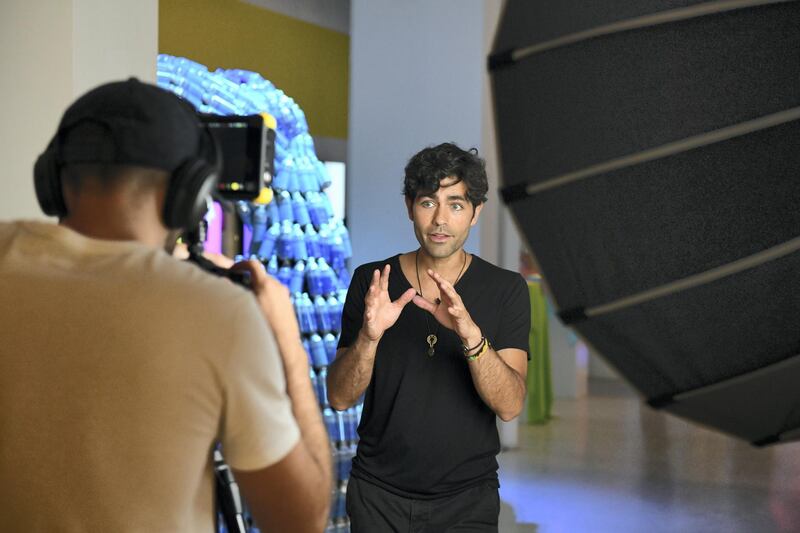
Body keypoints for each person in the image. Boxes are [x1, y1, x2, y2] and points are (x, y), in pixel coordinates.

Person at [0, 79, 330, 532]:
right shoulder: (219, 314)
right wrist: (286, 340)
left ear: (51, 179)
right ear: (189, 195)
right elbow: (302, 519)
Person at [327, 142, 531, 532]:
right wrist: (369, 338)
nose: (440, 220)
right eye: (427, 202)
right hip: (377, 494)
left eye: (455, 205)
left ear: (475, 213)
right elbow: (339, 398)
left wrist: (471, 337)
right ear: (409, 207)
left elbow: (510, 405)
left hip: (467, 499)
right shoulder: (373, 282)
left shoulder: (506, 289)